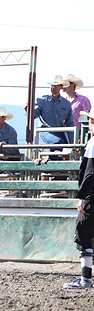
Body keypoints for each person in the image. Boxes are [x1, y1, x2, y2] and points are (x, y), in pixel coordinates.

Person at [63, 110, 94, 289]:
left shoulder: (93, 142)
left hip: (92, 195)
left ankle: (85, 278)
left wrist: (82, 196)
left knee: (83, 231)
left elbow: (90, 173)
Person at [25, 75, 74, 160]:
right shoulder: (42, 100)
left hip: (61, 132)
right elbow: (34, 115)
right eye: (52, 85)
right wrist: (28, 111)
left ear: (61, 87)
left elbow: (69, 123)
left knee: (63, 146)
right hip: (46, 131)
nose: (53, 87)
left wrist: (71, 139)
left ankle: (53, 164)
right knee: (58, 142)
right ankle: (53, 164)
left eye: (55, 85)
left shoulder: (66, 104)